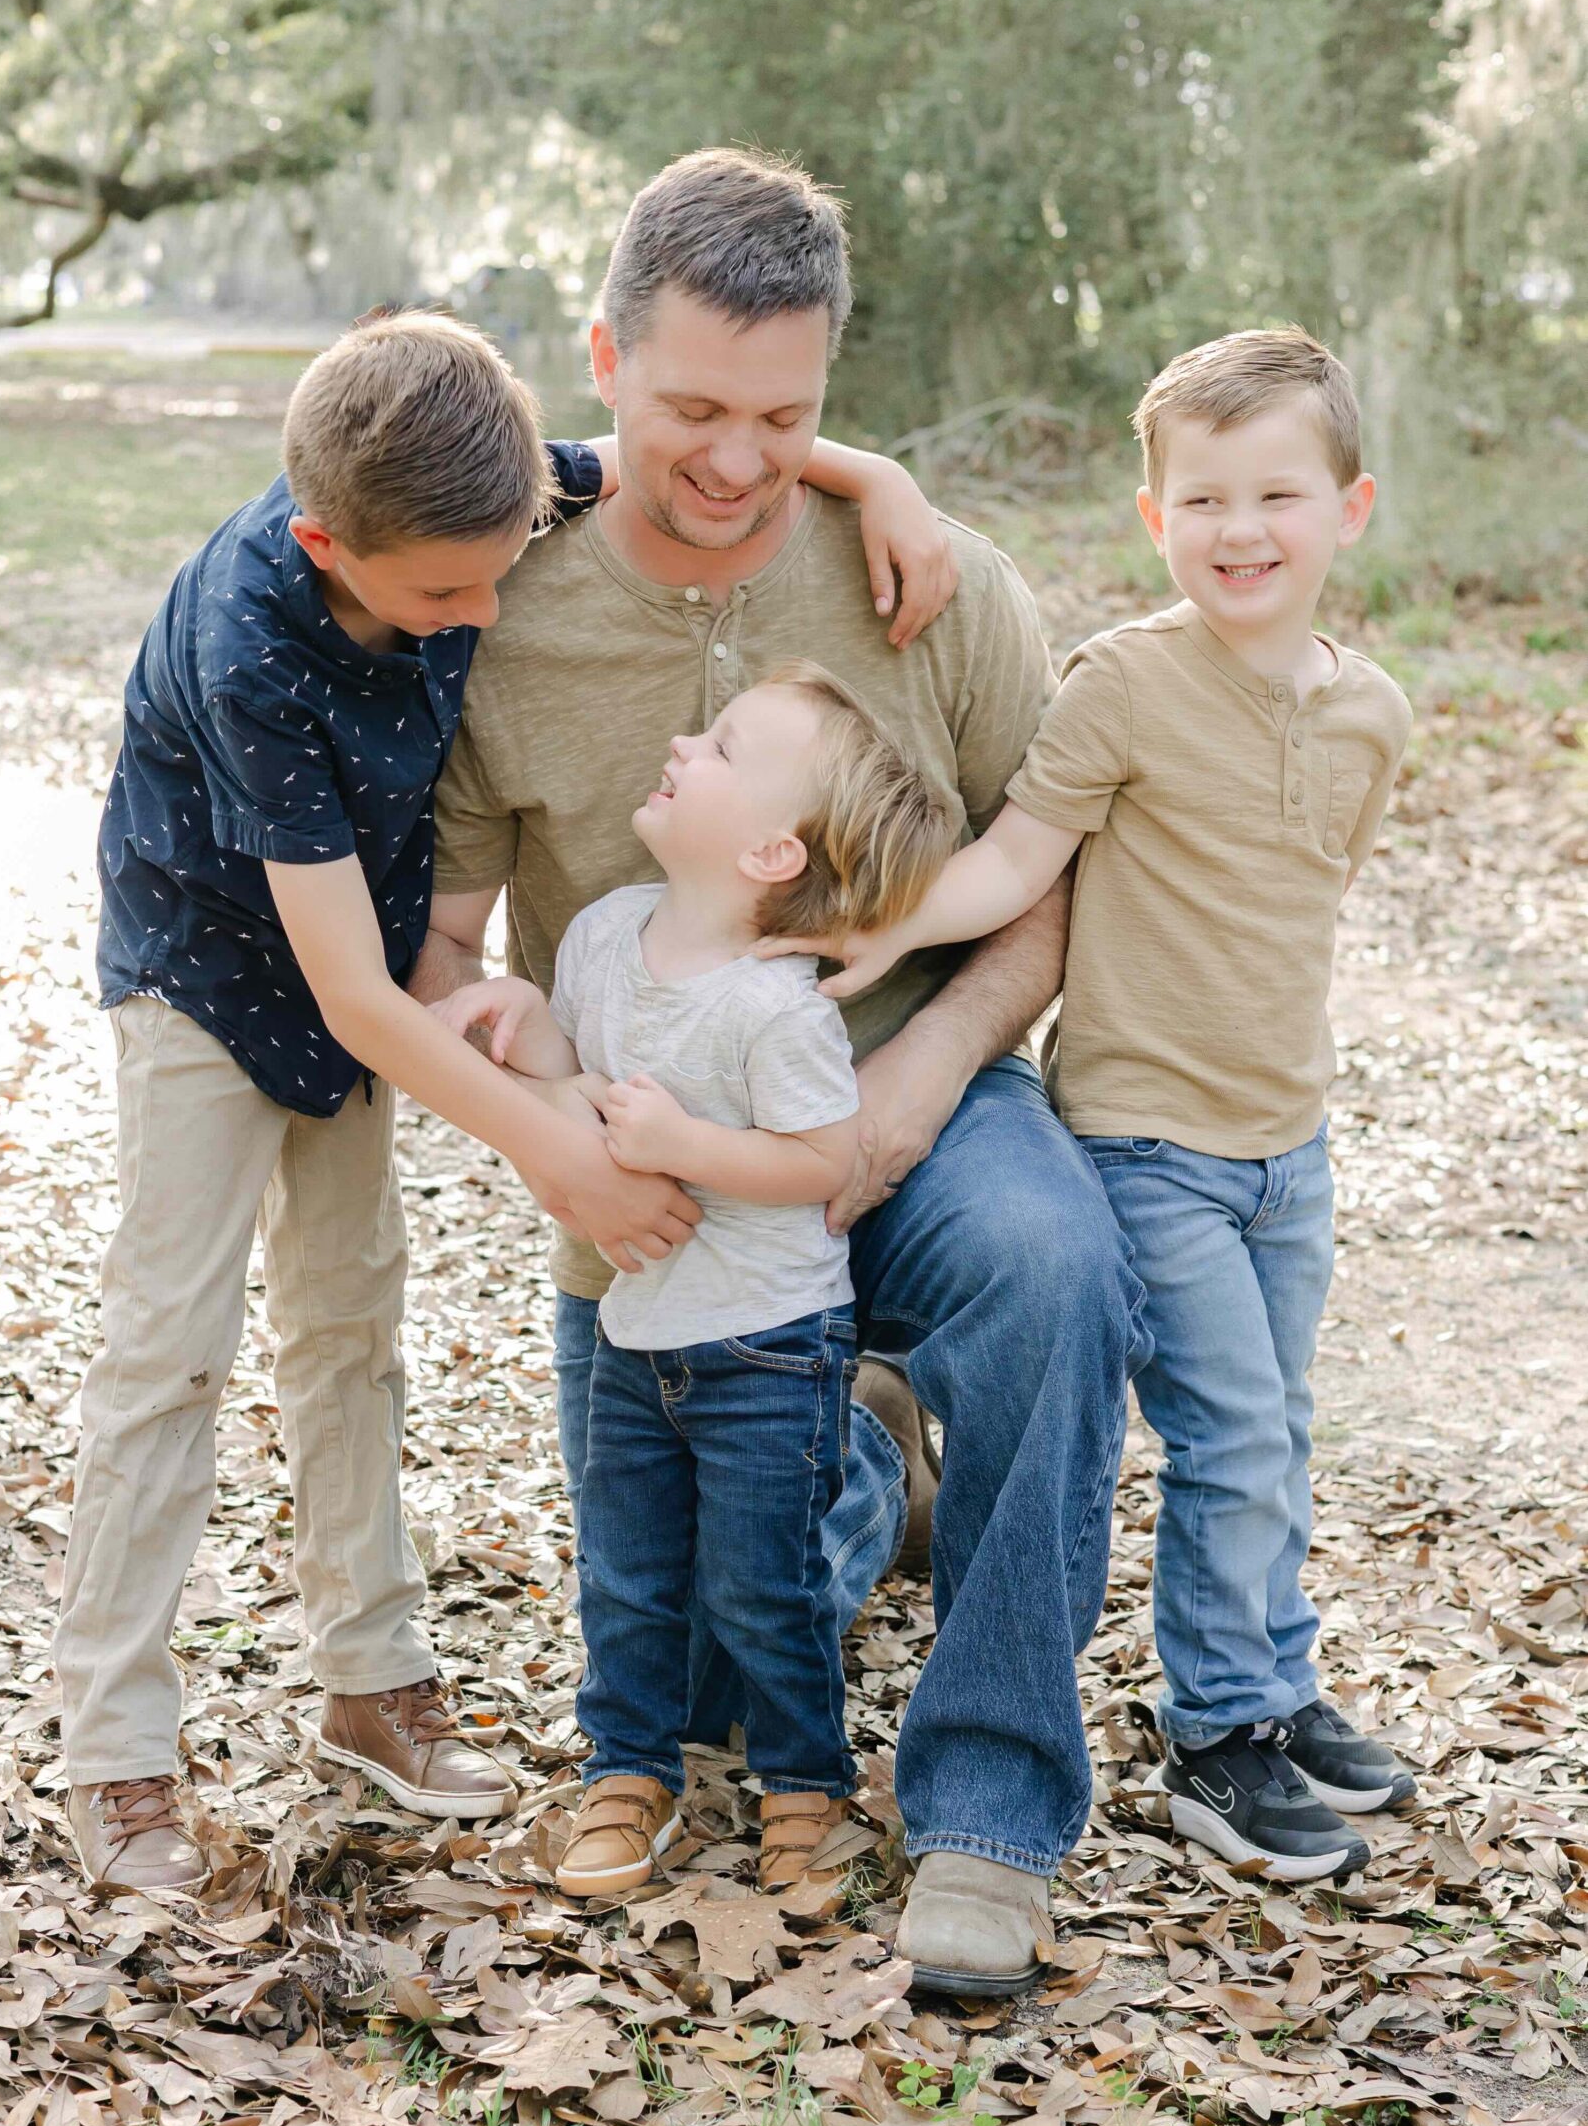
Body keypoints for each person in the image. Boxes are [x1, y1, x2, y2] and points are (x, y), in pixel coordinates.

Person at [57, 305, 952, 1895]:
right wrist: (559, 1150)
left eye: (503, 567)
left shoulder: (488, 490)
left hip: (368, 982)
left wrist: (877, 476)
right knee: (169, 1348)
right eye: (444, 598)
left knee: (348, 1319)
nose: (485, 612)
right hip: (212, 977)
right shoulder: (251, 642)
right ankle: (117, 1755)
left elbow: (690, 453)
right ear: (328, 541)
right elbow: (343, 991)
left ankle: (372, 1683)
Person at [416, 147, 1145, 1993]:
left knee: (1057, 1271)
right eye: (689, 411)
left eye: (788, 415)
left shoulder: (931, 577)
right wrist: (549, 1144)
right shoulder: (504, 606)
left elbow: (1048, 888)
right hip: (654, 1161)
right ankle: (865, 1478)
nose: (739, 461)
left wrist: (916, 1093)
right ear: (601, 359)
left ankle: (987, 1814)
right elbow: (437, 961)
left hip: (917, 1093)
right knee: (722, 1679)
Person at [784, 328, 1416, 1883]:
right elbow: (1013, 867)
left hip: (1290, 1143)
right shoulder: (1122, 685)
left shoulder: (1368, 713)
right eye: (1199, 499)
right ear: (1153, 519)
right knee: (1231, 1429)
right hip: (1146, 1141)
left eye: (1275, 493)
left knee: (1272, 1425)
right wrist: (887, 929)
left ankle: (1271, 1674)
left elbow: (1310, 886)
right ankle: (1216, 1737)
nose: (1237, 529)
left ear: (1349, 509)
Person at [442, 667, 953, 1898]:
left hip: (771, 1344)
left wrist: (686, 1150)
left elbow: (824, 1162)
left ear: (775, 849)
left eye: (721, 746)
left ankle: (802, 1789)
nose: (681, 741)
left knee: (761, 1584)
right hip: (636, 1334)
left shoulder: (774, 1007)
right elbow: (582, 1064)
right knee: (625, 1570)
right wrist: (528, 1016)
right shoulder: (610, 931)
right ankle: (625, 1770)